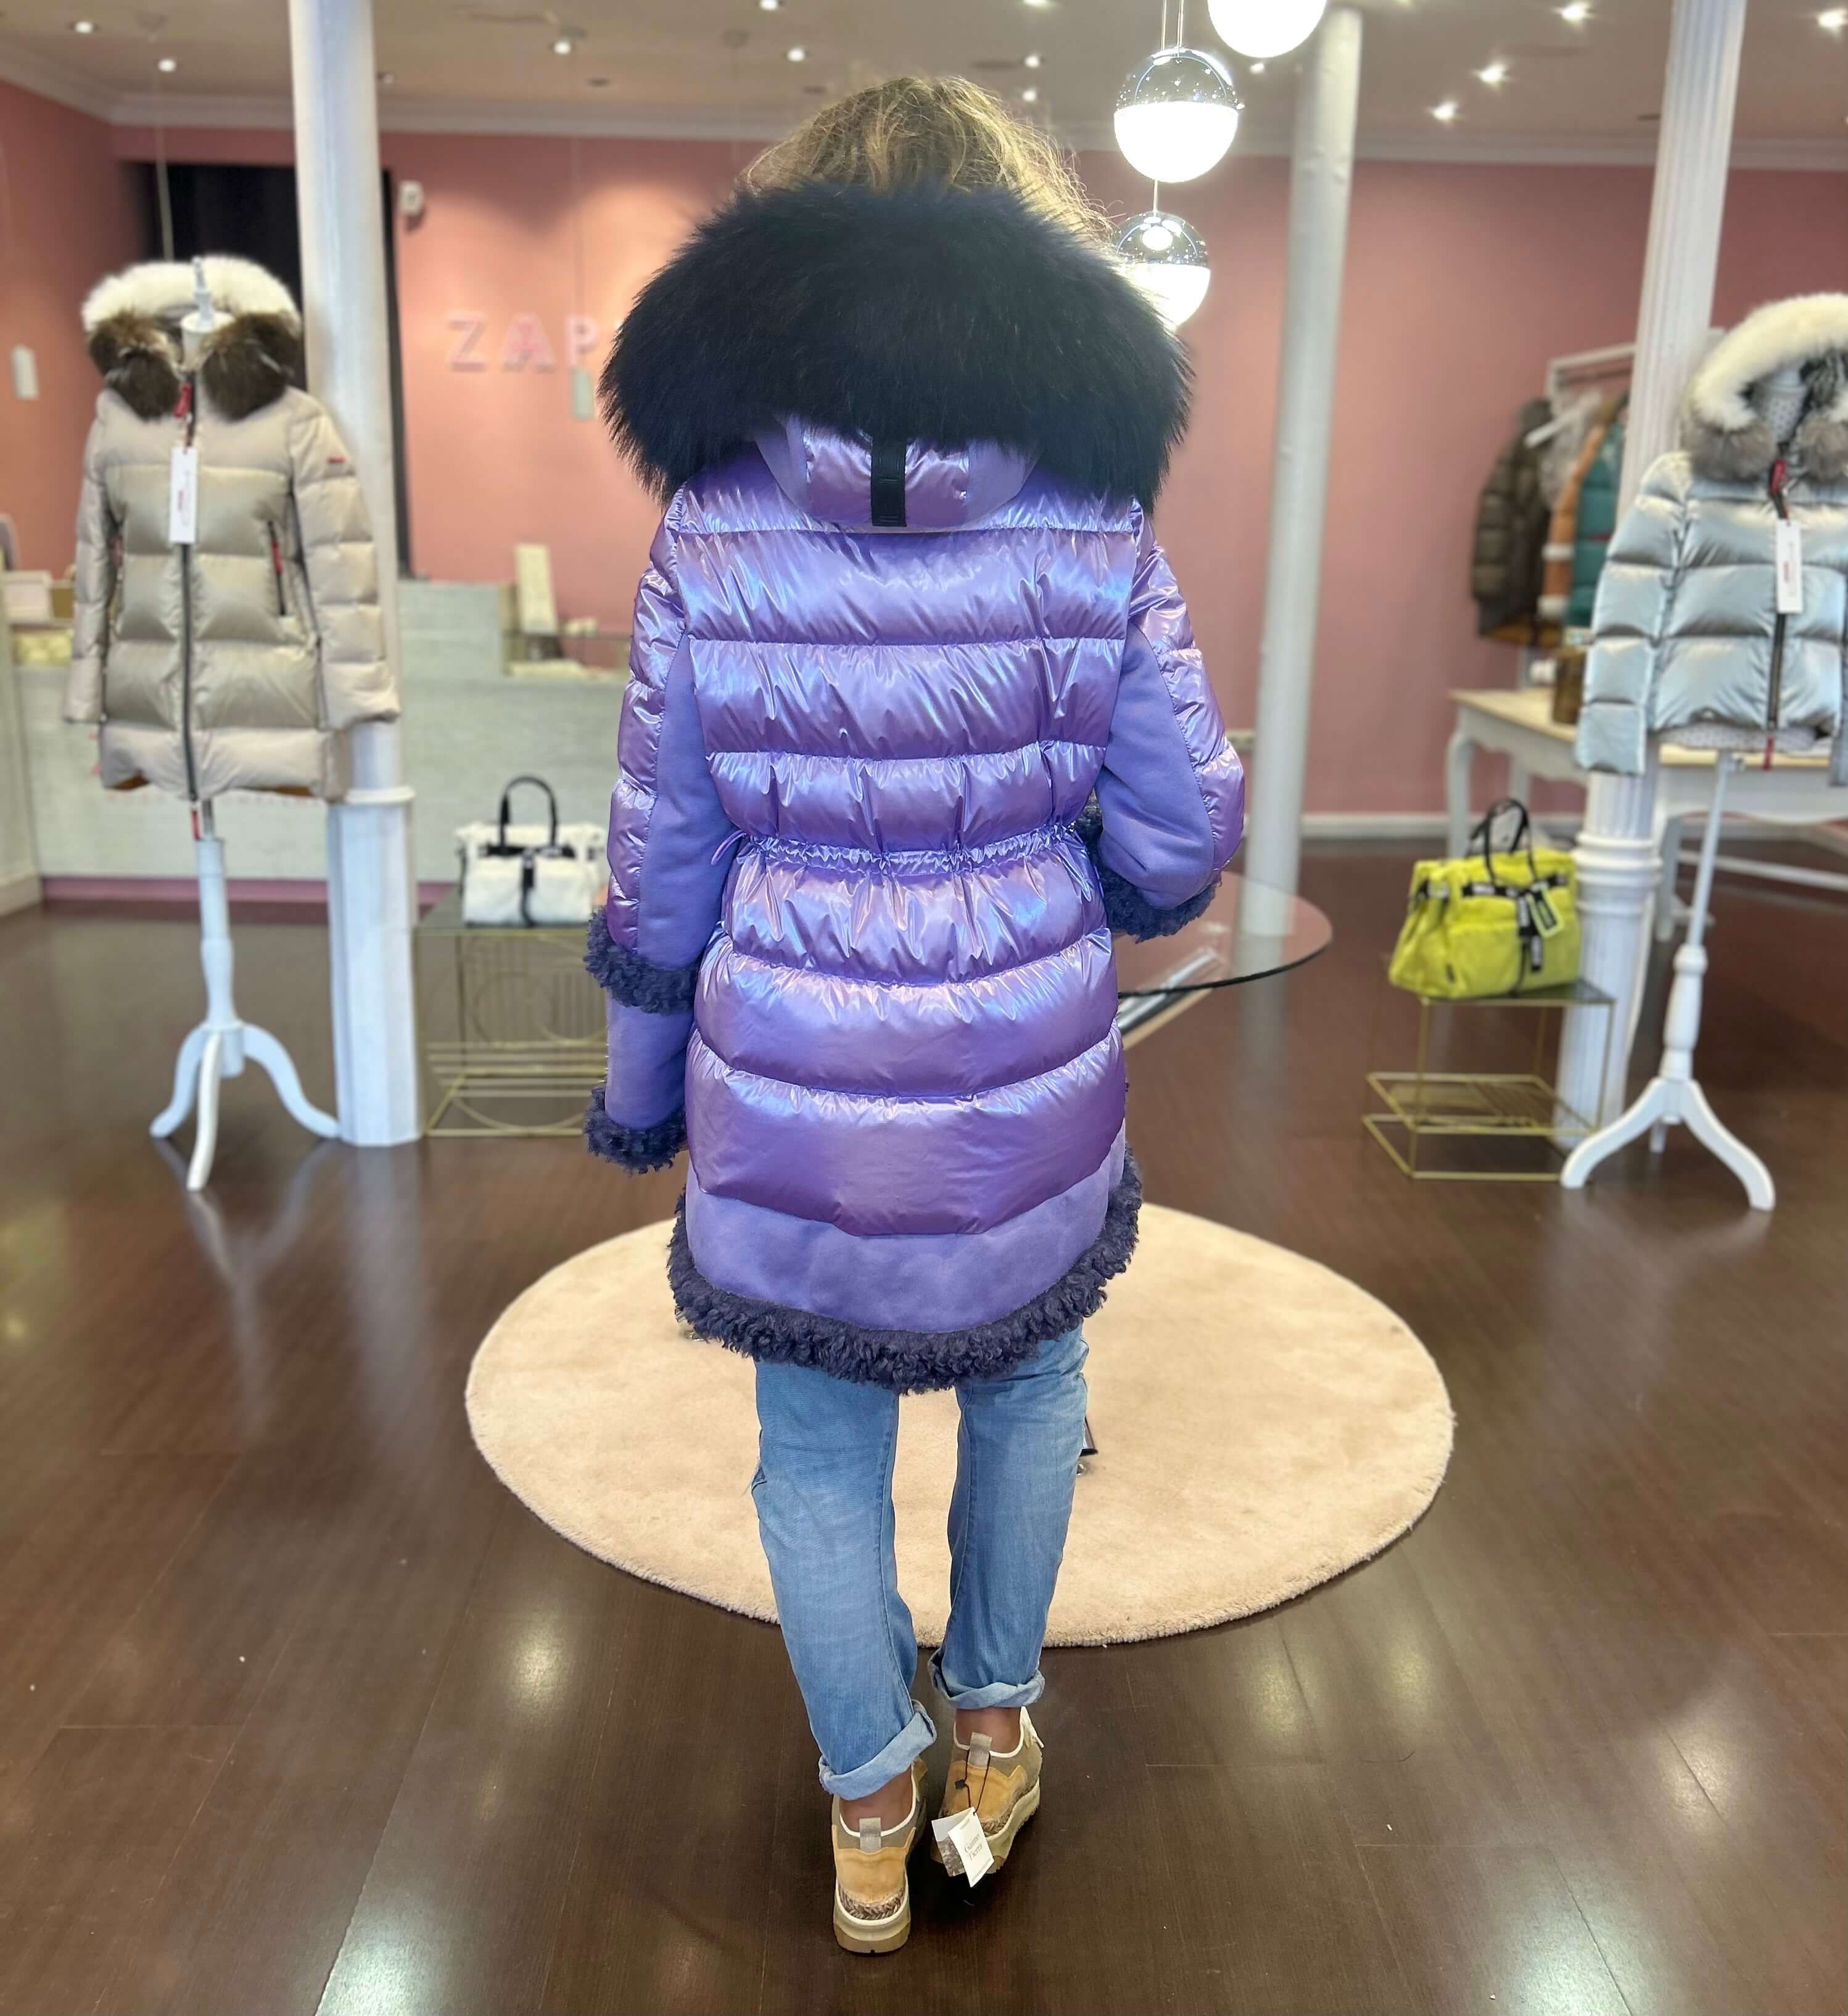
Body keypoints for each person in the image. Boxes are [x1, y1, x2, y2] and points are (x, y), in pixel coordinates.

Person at [585, 75, 1244, 1954]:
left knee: (812, 1442)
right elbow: (1181, 824)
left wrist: (644, 1084)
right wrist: (1088, 889)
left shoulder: (711, 517)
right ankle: (993, 1739)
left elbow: (661, 848)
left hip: (787, 1049)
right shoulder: (1093, 510)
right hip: (1022, 1036)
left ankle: (868, 1811)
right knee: (1027, 1384)